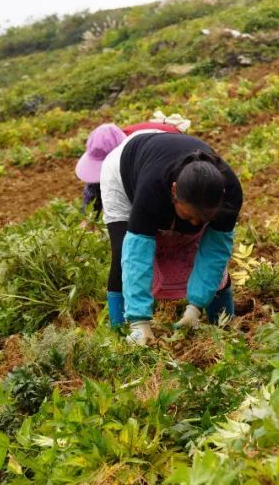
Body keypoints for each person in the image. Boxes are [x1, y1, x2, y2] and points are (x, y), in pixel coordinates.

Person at [100, 131, 242, 343]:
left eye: (203, 219)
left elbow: (215, 253)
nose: (194, 224)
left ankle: (223, 326)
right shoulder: (152, 189)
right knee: (122, 251)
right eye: (189, 216)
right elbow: (137, 255)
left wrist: (195, 307)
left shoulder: (230, 194)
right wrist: (140, 321)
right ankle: (123, 333)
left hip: (165, 160)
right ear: (174, 191)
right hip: (125, 170)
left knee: (198, 248)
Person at [75, 112, 192, 214]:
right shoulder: (107, 143)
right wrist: (88, 217)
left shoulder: (144, 157)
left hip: (173, 154)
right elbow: (93, 189)